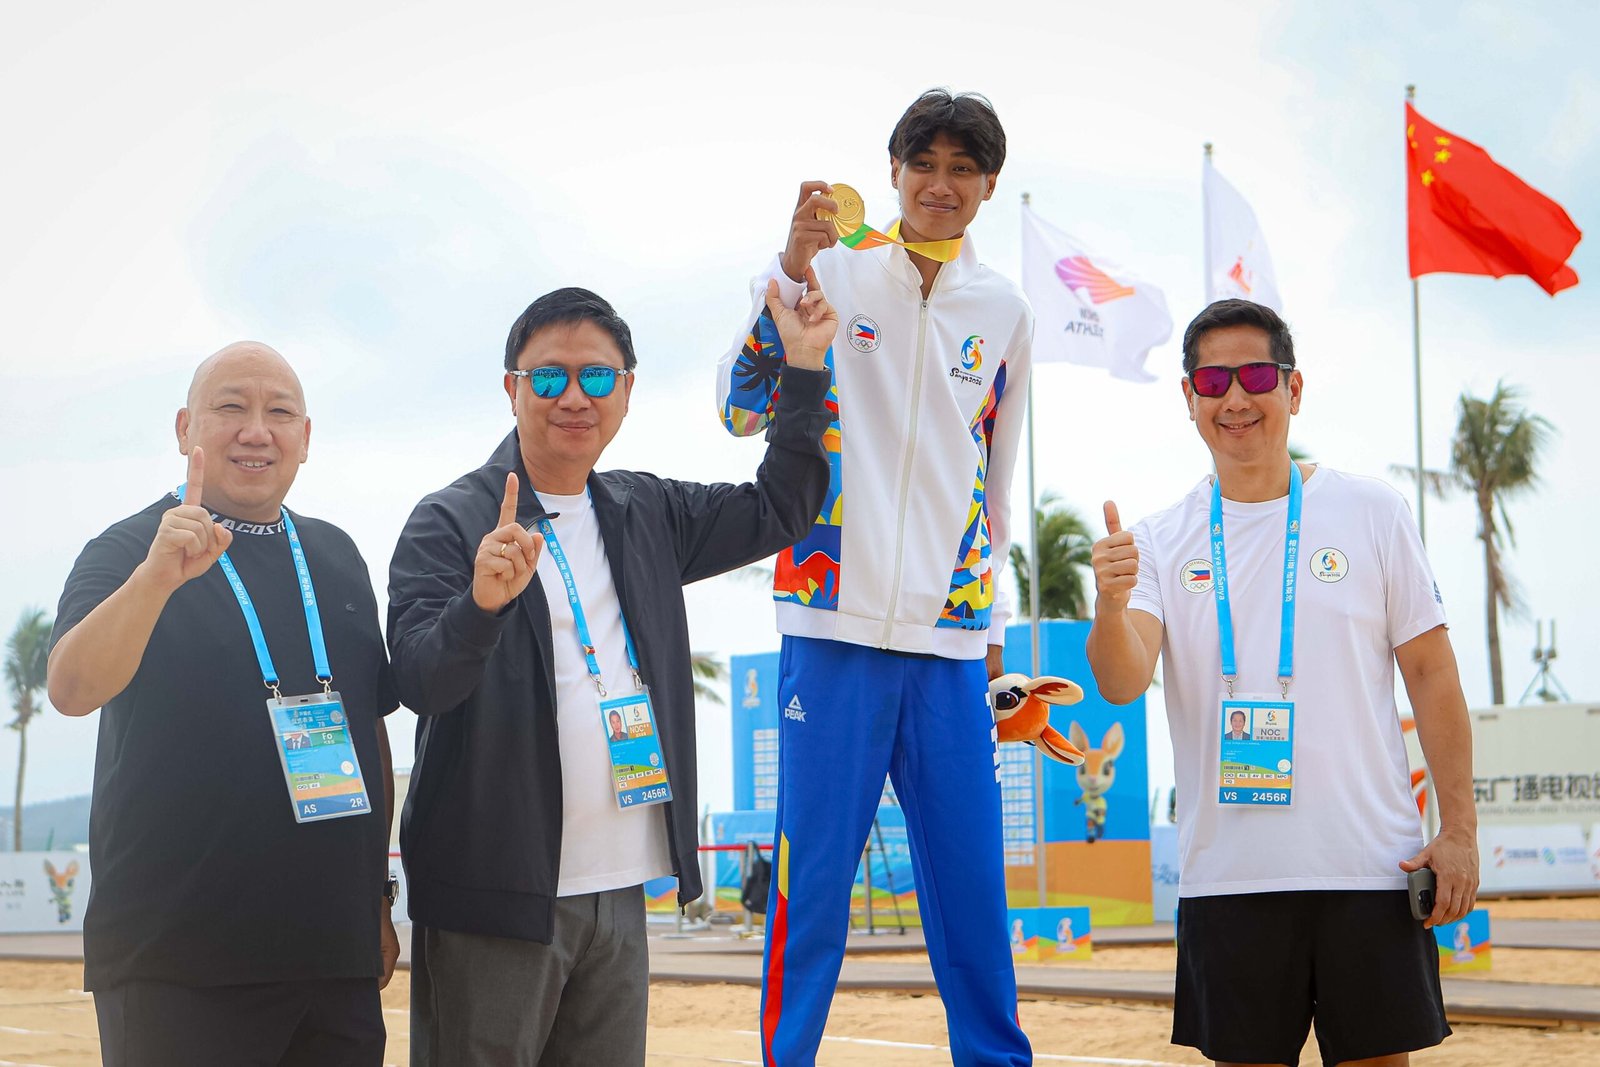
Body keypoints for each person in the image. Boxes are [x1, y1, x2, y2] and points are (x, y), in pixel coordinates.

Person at [389, 284, 834, 1065]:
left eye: (596, 377)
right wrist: (481, 606)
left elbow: (782, 508)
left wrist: (801, 370)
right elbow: (421, 682)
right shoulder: (449, 521)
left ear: (626, 389)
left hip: (621, 891)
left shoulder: (645, 511)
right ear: (510, 388)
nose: (572, 396)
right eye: (547, 376)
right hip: (494, 898)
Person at [716, 88, 1033, 1066]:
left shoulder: (1004, 310)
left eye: (962, 169)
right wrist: (790, 268)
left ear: (985, 186)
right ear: (892, 171)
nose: (940, 185)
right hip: (828, 621)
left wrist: (990, 640)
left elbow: (996, 476)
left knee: (973, 891)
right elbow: (739, 407)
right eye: (923, 164)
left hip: (947, 643)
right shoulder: (832, 274)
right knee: (812, 886)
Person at [1086, 299, 1478, 1067]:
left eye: (1257, 375)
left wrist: (1459, 831)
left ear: (1293, 389)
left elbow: (1432, 674)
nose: (1236, 398)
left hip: (1371, 868)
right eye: (1214, 379)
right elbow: (1123, 678)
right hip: (1230, 880)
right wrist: (1108, 605)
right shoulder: (1163, 538)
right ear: (1190, 397)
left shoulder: (1370, 512)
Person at [46, 342, 399, 1067]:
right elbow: (72, 689)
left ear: (306, 437)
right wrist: (154, 581)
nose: (255, 429)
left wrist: (377, 903)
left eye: (279, 412)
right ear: (185, 429)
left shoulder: (336, 555)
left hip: (333, 958)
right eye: (230, 407)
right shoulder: (128, 548)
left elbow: (368, 728)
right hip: (178, 961)